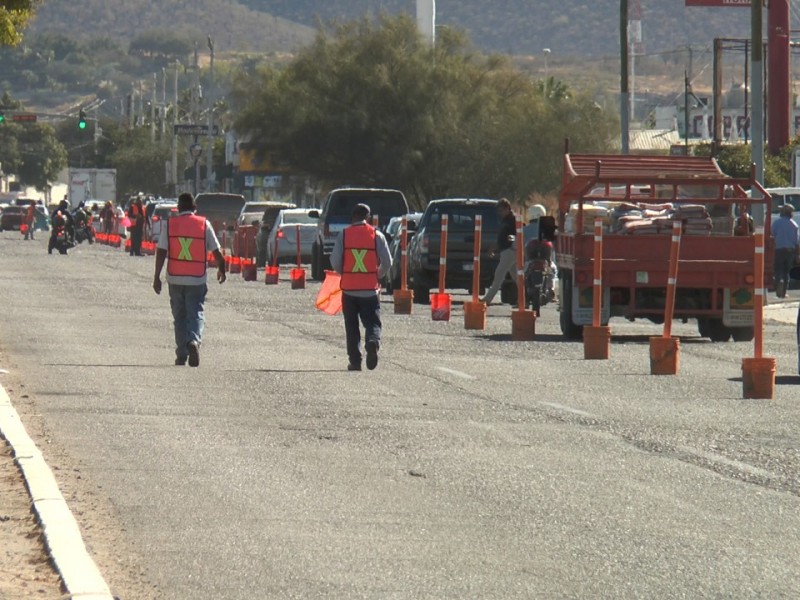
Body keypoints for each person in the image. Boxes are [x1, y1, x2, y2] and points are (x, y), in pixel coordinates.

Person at [153, 192, 226, 367]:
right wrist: (222, 269)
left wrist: (157, 277)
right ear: (194, 208)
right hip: (197, 278)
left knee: (179, 316)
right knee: (196, 313)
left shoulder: (171, 225)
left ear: (178, 208)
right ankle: (193, 340)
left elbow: (161, 251)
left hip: (175, 278)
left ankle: (181, 353)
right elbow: (216, 250)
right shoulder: (203, 224)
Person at [330, 203, 392, 371]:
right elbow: (388, 262)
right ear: (368, 218)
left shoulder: (344, 235)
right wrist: (377, 274)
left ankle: (355, 361)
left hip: (349, 290)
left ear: (352, 217)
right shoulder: (376, 235)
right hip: (369, 290)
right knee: (372, 322)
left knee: (351, 326)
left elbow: (335, 261)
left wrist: (346, 272)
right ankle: (372, 341)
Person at [481, 197, 518, 305]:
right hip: (505, 251)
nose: (500, 213)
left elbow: (520, 234)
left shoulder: (514, 220)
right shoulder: (505, 220)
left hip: (510, 251)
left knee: (499, 275)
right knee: (517, 277)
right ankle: (525, 299)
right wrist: (494, 247)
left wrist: (514, 247)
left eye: (501, 210)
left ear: (507, 208)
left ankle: (487, 300)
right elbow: (502, 236)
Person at [771, 204, 799, 298]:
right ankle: (784, 292)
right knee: (787, 271)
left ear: (782, 212)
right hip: (790, 250)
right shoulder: (794, 225)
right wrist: (797, 255)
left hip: (778, 249)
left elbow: (772, 235)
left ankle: (779, 284)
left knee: (778, 269)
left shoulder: (776, 223)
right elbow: (796, 242)